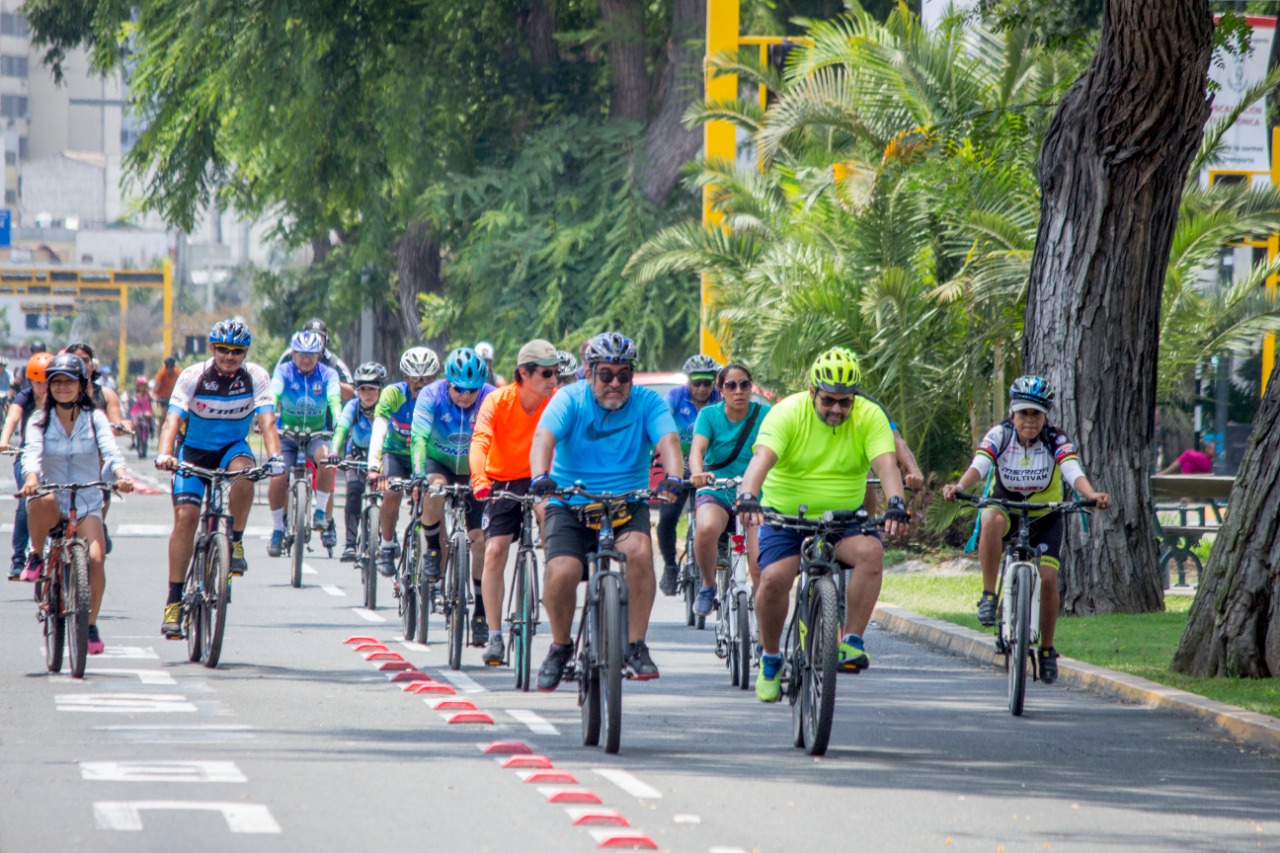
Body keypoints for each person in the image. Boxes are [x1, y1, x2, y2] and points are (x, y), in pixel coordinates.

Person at [736, 347, 911, 703]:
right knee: (772, 580)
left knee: (871, 552)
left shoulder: (870, 416)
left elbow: (887, 466)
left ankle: (852, 642)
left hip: (841, 519)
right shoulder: (787, 413)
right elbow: (760, 461)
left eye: (845, 402)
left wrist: (896, 504)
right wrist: (749, 496)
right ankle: (770, 658)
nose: (836, 409)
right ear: (813, 391)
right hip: (786, 516)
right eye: (829, 400)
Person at [528, 332, 683, 691]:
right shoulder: (570, 398)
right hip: (571, 504)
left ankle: (635, 646)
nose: (615, 383)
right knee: (562, 571)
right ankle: (560, 647)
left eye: (624, 375)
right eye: (606, 375)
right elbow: (543, 439)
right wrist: (540, 476)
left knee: (641, 555)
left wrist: (674, 477)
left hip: (627, 504)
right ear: (588, 371)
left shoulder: (647, 402)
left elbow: (669, 441)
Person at [941, 375, 1111, 684]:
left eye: (1036, 414)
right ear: (1012, 414)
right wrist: (960, 486)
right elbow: (979, 465)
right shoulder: (999, 435)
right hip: (1007, 510)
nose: (1029, 421)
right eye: (1023, 413)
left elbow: (1073, 472)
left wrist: (1091, 495)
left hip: (1045, 516)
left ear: (1046, 415)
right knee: (990, 518)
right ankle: (989, 596)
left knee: (1048, 580)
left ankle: (1046, 649)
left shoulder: (1056, 439)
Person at [156, 320, 281, 638]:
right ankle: (174, 601)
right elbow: (173, 419)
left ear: (245, 353)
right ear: (212, 349)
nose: (229, 356)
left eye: (237, 351)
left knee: (244, 474)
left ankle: (235, 543)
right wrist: (164, 453)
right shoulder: (192, 376)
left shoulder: (256, 377)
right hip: (193, 453)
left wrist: (277, 457)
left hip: (232, 449)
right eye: (223, 349)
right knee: (186, 517)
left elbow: (267, 422)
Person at [20, 353, 136, 656]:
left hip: (86, 499)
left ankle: (91, 625)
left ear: (81, 386)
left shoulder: (95, 418)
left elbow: (111, 454)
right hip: (52, 496)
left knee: (96, 559)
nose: (62, 388)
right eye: (55, 382)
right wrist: (32, 477)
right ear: (48, 385)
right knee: (40, 498)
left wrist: (121, 476)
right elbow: (31, 454)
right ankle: (35, 555)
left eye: (68, 382)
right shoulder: (39, 420)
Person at [470, 339, 560, 666]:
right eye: (547, 374)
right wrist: (480, 480)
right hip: (501, 480)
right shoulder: (497, 401)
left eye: (557, 373)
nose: (554, 380)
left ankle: (555, 590)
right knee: (494, 550)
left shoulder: (556, 402)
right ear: (524, 373)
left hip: (541, 478)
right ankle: (495, 636)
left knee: (554, 528)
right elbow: (480, 443)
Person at [410, 347, 495, 647]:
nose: (465, 396)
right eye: (459, 389)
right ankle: (433, 547)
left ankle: (481, 614)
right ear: (448, 382)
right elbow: (419, 436)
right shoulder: (431, 395)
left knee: (482, 542)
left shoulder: (490, 396)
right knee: (434, 488)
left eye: (472, 391)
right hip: (439, 463)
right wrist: (419, 471)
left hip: (475, 468)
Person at [687, 363, 770, 615]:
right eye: (731, 385)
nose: (738, 391)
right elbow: (697, 451)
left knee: (759, 564)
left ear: (751, 387)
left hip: (754, 495)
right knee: (707, 528)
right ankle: (708, 584)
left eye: (744, 384)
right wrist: (698, 473)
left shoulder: (765, 414)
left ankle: (760, 625)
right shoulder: (709, 416)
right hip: (717, 489)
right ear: (720, 390)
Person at [267, 331, 343, 557]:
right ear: (293, 352)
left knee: (327, 460)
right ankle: (278, 529)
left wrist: (338, 418)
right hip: (287, 434)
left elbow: (334, 399)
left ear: (319, 354)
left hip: (316, 433)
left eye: (311, 354)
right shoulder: (283, 371)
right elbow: (274, 394)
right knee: (278, 475)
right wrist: (268, 413)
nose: (306, 359)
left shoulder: (328, 374)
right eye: (301, 354)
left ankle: (320, 512)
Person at [367, 347, 440, 575]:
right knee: (391, 492)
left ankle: (434, 559)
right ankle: (387, 546)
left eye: (426, 378)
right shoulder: (393, 394)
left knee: (435, 496)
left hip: (427, 456)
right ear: (405, 377)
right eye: (414, 378)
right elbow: (379, 429)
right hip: (396, 454)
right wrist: (373, 466)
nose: (420, 383)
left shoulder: (440, 396)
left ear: (435, 378)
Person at [658, 354, 723, 596]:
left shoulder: (720, 399)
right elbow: (662, 420)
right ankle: (670, 566)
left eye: (708, 383)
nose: (702, 388)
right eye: (697, 383)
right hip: (678, 465)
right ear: (688, 382)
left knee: (710, 518)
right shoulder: (675, 397)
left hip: (710, 467)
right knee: (667, 517)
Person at [0, 352, 54, 580]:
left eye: (46, 382)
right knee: (26, 502)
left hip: (55, 459)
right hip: (27, 457)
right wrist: (4, 440)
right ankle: (19, 559)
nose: (41, 387)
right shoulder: (25, 397)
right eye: (36, 382)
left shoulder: (62, 398)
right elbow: (13, 417)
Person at [329, 362, 387, 562]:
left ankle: (389, 536)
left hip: (382, 456)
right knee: (354, 492)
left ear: (380, 388)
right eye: (362, 389)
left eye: (372, 388)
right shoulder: (353, 407)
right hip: (357, 454)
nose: (367, 393)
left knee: (389, 494)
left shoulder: (387, 407)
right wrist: (334, 451)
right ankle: (350, 544)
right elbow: (341, 429)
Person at [153, 356, 182, 422]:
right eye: (167, 367)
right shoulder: (161, 373)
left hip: (174, 398)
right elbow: (155, 386)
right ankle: (159, 431)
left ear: (173, 367)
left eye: (171, 367)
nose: (169, 369)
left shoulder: (178, 373)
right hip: (162, 398)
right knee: (162, 418)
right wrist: (154, 397)